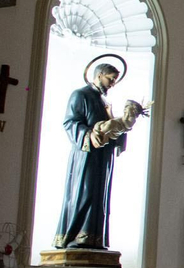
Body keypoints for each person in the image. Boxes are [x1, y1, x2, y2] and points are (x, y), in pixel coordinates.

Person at [55, 62, 131, 250]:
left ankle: (93, 238)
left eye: (114, 80)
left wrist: (123, 126)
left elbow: (111, 129)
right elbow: (70, 122)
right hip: (86, 156)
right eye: (110, 79)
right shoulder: (80, 95)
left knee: (99, 196)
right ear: (99, 75)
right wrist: (88, 135)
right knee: (84, 193)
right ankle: (74, 237)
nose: (113, 83)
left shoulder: (104, 102)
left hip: (103, 158)